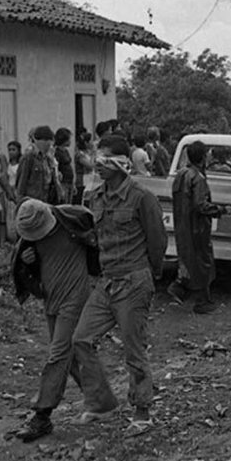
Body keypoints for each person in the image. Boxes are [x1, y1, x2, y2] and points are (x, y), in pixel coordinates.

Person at [72, 135, 166, 433]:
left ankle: (142, 411)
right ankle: (102, 403)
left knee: (133, 350)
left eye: (104, 160)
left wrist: (150, 276)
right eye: (96, 159)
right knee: (81, 340)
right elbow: (97, 237)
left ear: (122, 164)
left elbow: (158, 242)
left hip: (134, 281)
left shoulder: (141, 197)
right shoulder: (96, 197)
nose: (97, 166)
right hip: (107, 282)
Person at [9, 199, 98, 443]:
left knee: (58, 353)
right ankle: (98, 399)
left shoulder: (73, 220)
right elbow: (27, 272)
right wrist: (30, 262)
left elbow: (95, 235)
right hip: (51, 298)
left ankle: (42, 415)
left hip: (75, 298)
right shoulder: (30, 239)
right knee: (70, 358)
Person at [166, 141, 228, 315]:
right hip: (197, 228)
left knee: (189, 261)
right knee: (203, 264)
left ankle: (180, 289)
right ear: (202, 157)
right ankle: (202, 301)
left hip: (182, 226)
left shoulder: (181, 175)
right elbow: (201, 205)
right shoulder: (198, 178)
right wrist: (219, 210)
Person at [16, 126, 57, 204]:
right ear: (40, 141)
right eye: (47, 142)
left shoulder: (46, 158)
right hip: (31, 199)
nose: (49, 145)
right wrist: (20, 200)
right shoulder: (29, 157)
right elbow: (22, 180)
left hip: (45, 199)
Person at [54, 128, 75, 204]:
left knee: (69, 203)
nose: (70, 141)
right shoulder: (57, 152)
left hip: (69, 181)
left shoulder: (65, 151)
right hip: (63, 182)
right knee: (64, 203)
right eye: (69, 139)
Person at [74, 129, 94, 204]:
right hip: (82, 180)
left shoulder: (88, 152)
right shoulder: (80, 154)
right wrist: (93, 154)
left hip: (89, 179)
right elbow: (90, 165)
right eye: (91, 141)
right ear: (86, 143)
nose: (92, 143)